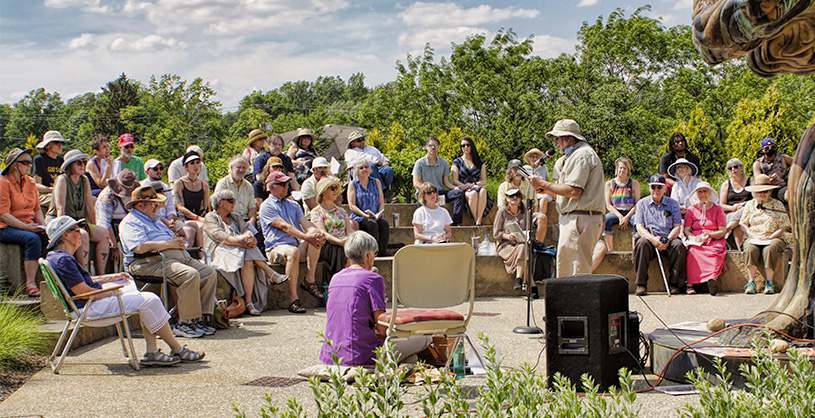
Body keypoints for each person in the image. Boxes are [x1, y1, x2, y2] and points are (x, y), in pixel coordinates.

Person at [46, 215, 205, 365]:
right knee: (150, 299)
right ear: (65, 235)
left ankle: (153, 352)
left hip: (84, 304)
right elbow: (82, 291)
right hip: (87, 307)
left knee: (140, 296)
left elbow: (80, 282)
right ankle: (176, 349)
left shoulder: (56, 257)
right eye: (76, 229)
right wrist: (112, 292)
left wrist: (110, 278)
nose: (81, 232)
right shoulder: (63, 260)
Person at [119, 185, 217, 339]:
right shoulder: (130, 222)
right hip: (149, 262)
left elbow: (169, 238)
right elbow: (138, 247)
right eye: (153, 203)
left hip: (175, 257)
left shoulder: (156, 219)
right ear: (140, 205)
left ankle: (201, 318)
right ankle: (185, 323)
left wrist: (177, 241)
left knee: (208, 273)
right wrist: (168, 244)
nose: (157, 206)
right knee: (190, 275)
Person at [320, 231, 431, 366]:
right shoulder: (372, 279)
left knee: (409, 355)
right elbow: (383, 329)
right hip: (361, 355)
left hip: (331, 355)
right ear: (368, 255)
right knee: (425, 338)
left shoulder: (335, 278)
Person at [529, 119, 605, 277]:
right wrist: (544, 187)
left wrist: (544, 183)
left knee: (576, 275)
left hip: (579, 220)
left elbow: (574, 191)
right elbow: (563, 192)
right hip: (574, 219)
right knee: (567, 273)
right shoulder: (570, 157)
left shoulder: (582, 155)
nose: (555, 143)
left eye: (557, 138)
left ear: (568, 138)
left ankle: (578, 303)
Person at [204, 190, 288, 316]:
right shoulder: (211, 217)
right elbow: (220, 236)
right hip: (220, 250)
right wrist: (240, 240)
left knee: (248, 253)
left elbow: (246, 229)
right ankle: (268, 274)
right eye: (231, 200)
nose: (234, 203)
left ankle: (249, 301)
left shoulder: (235, 217)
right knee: (247, 250)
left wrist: (249, 238)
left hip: (239, 248)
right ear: (219, 203)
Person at [259, 171, 326, 314]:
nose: (286, 187)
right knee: (293, 250)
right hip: (276, 248)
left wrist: (317, 234)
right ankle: (293, 299)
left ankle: (309, 280)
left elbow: (306, 223)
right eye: (282, 184)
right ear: (271, 187)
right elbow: (285, 227)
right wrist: (307, 238)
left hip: (294, 245)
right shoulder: (266, 206)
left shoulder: (293, 205)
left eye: (287, 183)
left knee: (314, 234)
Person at [47, 149, 110, 275]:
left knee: (103, 233)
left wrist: (93, 226)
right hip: (60, 221)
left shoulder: (84, 180)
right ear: (70, 165)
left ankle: (101, 275)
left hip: (79, 221)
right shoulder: (62, 180)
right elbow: (60, 208)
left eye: (84, 162)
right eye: (79, 163)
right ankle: (84, 274)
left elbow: (88, 207)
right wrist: (64, 230)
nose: (83, 165)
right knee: (82, 234)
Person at [0, 148, 47, 297]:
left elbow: (37, 209)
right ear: (14, 165)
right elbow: (3, 214)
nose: (29, 166)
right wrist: (26, 227)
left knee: (51, 238)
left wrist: (44, 226)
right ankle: (30, 283)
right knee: (32, 239)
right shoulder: (3, 182)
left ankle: (55, 280)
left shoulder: (30, 182)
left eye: (29, 162)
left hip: (27, 224)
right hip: (6, 226)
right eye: (25, 163)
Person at [632, 174, 685, 296]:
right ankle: (641, 284)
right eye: (653, 187)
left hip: (668, 238)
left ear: (664, 189)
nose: (656, 190)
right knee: (641, 244)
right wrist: (652, 239)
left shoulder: (673, 204)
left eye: (659, 187)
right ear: (650, 188)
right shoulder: (642, 203)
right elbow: (639, 227)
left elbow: (677, 226)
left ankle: (674, 284)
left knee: (678, 245)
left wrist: (667, 239)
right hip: (650, 238)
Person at [739, 174, 791, 295]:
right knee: (750, 249)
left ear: (769, 191)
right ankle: (751, 282)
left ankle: (769, 282)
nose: (762, 194)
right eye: (759, 192)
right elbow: (743, 224)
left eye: (765, 191)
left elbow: (783, 226)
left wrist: (770, 237)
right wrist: (752, 235)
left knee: (770, 249)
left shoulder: (777, 205)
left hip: (773, 236)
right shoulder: (750, 205)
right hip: (754, 236)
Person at [591, 157, 640, 272]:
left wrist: (627, 217)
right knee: (606, 219)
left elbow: (637, 204)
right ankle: (610, 249)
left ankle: (635, 250)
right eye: (620, 168)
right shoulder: (609, 184)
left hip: (630, 211)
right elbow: (608, 205)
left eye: (624, 168)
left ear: (628, 170)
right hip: (616, 211)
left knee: (638, 222)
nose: (622, 170)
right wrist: (619, 216)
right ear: (616, 169)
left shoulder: (634, 183)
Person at [683, 182, 727, 295]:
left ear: (710, 193)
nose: (702, 194)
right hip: (696, 239)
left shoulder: (718, 209)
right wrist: (693, 237)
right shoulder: (691, 210)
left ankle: (712, 280)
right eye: (700, 191)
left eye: (705, 191)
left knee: (715, 251)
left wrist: (710, 235)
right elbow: (687, 230)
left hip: (714, 239)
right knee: (692, 251)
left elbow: (722, 231)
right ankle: (690, 284)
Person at [411, 136, 466, 225]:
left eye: (435, 145)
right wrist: (427, 189)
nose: (433, 147)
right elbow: (416, 182)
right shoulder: (420, 163)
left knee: (459, 193)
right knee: (422, 196)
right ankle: (421, 224)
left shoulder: (443, 162)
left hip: (439, 192)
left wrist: (456, 188)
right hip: (425, 192)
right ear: (426, 147)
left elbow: (446, 182)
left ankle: (455, 223)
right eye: (431, 145)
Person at [310, 177, 353, 289]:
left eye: (337, 189)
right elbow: (323, 233)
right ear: (324, 192)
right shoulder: (316, 212)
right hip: (327, 244)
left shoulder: (341, 211)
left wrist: (350, 240)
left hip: (344, 241)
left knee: (358, 247)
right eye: (333, 188)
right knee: (338, 250)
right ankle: (340, 285)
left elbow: (350, 230)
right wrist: (339, 242)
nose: (336, 191)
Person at [94, 169, 140, 268]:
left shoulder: (137, 191)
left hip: (133, 224)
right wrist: (113, 245)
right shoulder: (107, 196)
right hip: (113, 227)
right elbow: (104, 222)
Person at [497, 160, 548, 243]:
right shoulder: (503, 186)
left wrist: (531, 220)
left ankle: (539, 246)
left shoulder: (528, 184)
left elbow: (535, 204)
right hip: (511, 216)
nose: (518, 171)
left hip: (526, 215)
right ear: (509, 171)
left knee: (542, 217)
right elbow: (500, 206)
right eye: (515, 169)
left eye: (520, 168)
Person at [347, 160, 389, 256]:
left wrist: (379, 212)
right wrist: (364, 215)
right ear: (356, 171)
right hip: (360, 216)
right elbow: (351, 205)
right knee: (371, 225)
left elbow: (381, 202)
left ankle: (382, 251)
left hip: (375, 215)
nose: (364, 169)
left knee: (384, 223)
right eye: (361, 168)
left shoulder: (376, 182)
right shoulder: (353, 184)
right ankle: (372, 253)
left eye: (366, 167)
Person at [172, 151, 209, 251]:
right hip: (183, 218)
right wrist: (196, 218)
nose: (195, 165)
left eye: (198, 162)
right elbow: (179, 206)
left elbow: (206, 207)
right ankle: (202, 257)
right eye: (192, 163)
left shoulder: (204, 185)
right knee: (200, 227)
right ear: (186, 166)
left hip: (199, 216)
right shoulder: (179, 183)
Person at [493, 187, 529, 290]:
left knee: (523, 247)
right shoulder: (502, 212)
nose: (514, 197)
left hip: (521, 243)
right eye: (511, 195)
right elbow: (496, 233)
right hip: (505, 245)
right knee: (524, 251)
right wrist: (507, 236)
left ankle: (519, 279)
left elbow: (529, 229)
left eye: (517, 195)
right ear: (507, 198)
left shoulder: (525, 211)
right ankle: (528, 282)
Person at [451, 136, 491, 226]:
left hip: (476, 185)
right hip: (464, 187)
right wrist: (465, 186)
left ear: (471, 146)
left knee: (483, 191)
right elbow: (455, 180)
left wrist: (474, 184)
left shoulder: (479, 162)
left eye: (468, 145)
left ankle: (479, 220)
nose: (465, 147)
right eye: (463, 145)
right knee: (473, 194)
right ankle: (477, 220)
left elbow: (484, 180)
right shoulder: (457, 162)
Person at [344, 130, 394, 198]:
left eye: (362, 139)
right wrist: (370, 162)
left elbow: (384, 159)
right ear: (352, 143)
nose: (362, 141)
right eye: (359, 140)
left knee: (388, 170)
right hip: (363, 169)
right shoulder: (350, 153)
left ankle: (382, 190)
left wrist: (384, 162)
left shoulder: (372, 149)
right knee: (370, 166)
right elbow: (353, 165)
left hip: (378, 167)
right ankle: (384, 191)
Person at [719, 158, 752, 250]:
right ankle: (741, 250)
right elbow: (721, 205)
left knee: (744, 210)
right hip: (731, 213)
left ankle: (726, 229)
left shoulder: (750, 181)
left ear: (741, 167)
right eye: (730, 168)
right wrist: (732, 208)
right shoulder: (726, 184)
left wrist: (744, 204)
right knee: (738, 224)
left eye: (735, 166)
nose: (733, 169)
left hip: (748, 211)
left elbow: (756, 199)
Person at [214, 156, 256, 227]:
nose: (241, 170)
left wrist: (252, 220)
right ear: (231, 168)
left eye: (243, 168)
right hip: (228, 219)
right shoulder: (223, 184)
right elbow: (218, 206)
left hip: (245, 220)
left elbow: (252, 207)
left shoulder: (248, 186)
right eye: (238, 167)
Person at [752, 137, 793, 205]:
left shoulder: (783, 158)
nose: (770, 149)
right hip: (767, 190)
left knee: (791, 193)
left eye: (773, 147)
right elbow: (758, 180)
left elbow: (797, 163)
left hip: (782, 187)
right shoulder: (758, 164)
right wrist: (768, 181)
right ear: (763, 149)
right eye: (767, 148)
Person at [33, 130, 67, 212]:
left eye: (61, 143)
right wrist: (53, 189)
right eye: (56, 143)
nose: (60, 145)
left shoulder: (61, 160)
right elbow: (37, 184)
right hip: (44, 195)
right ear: (47, 145)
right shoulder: (39, 159)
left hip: (61, 193)